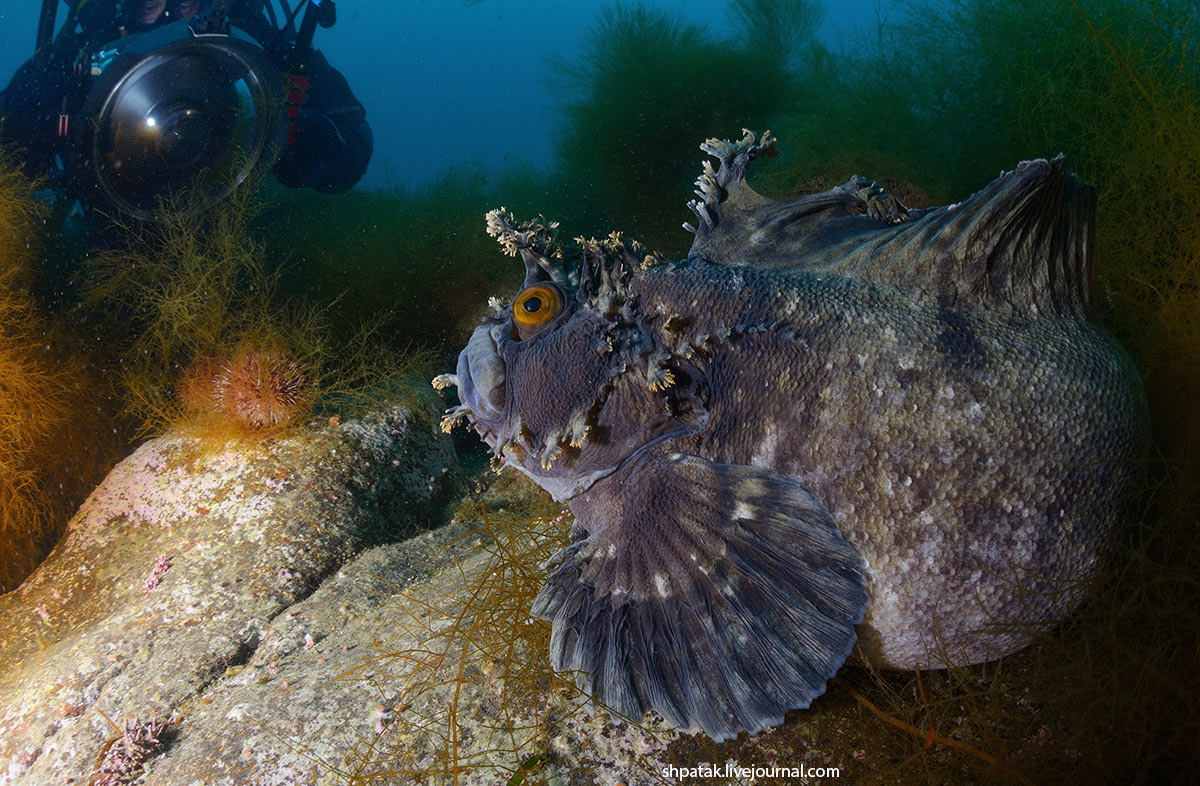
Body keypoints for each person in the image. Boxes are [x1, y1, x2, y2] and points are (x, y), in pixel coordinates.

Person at [0, 0, 372, 209]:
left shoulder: (258, 39)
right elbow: (9, 153)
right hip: (110, 245)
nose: (171, 21)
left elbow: (352, 155)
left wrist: (299, 138)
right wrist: (50, 128)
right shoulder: (85, 43)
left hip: (236, 242)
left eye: (187, 4)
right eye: (149, 5)